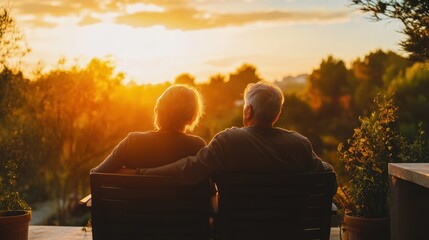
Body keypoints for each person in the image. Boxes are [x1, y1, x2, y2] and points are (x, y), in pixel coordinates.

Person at [137, 81, 336, 188]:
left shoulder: (229, 141)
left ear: (248, 110)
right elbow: (329, 178)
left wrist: (144, 173)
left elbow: (189, 170)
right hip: (288, 231)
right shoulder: (300, 145)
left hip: (238, 230)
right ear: (277, 114)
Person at [91, 84, 206, 173]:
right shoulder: (196, 147)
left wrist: (128, 173)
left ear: (158, 110)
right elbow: (208, 187)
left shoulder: (133, 142)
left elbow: (97, 174)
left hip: (135, 204)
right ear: (191, 117)